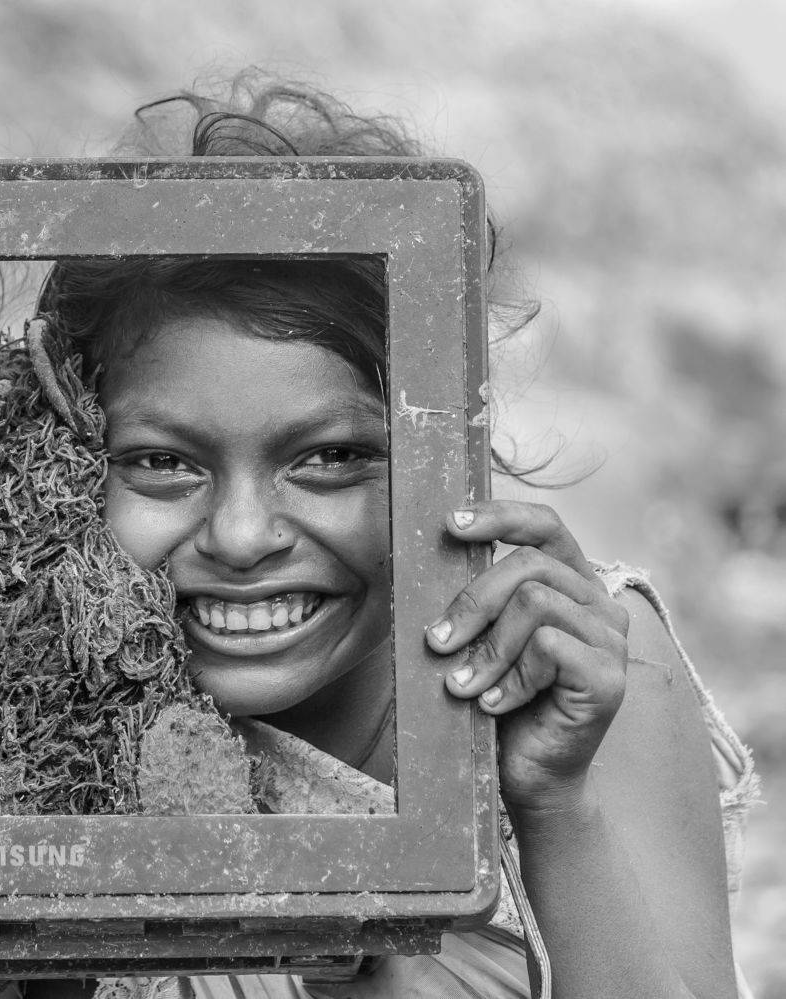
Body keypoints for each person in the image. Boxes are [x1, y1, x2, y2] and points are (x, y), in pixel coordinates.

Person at [37, 78, 759, 999]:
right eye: (162, 463)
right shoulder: (45, 717)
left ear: (442, 452)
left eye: (332, 456)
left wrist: (555, 803)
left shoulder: (570, 668)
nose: (244, 536)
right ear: (61, 461)